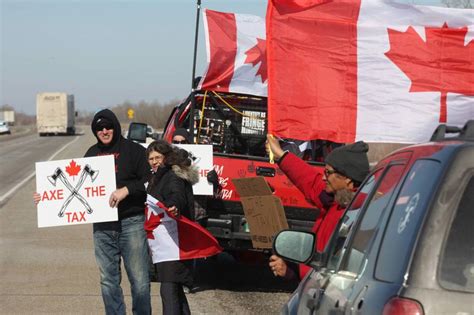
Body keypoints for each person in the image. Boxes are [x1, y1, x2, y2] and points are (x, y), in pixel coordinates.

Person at [34, 109, 151, 315]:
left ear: (115, 127)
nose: (104, 131)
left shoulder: (135, 151)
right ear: (95, 131)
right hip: (103, 226)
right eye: (99, 128)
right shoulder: (90, 154)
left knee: (140, 281)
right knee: (108, 281)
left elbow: (151, 181)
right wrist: (46, 197)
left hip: (131, 222)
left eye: (108, 127)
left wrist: (127, 189)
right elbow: (75, 188)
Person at [266, 135, 370, 280]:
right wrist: (281, 155)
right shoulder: (338, 200)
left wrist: (294, 270)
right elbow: (312, 183)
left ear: (347, 177)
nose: (323, 178)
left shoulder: (353, 216)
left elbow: (328, 270)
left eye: (328, 172)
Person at [145, 140, 199, 315]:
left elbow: (177, 195)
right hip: (164, 244)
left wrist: (173, 205)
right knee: (174, 291)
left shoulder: (172, 175)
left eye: (157, 157)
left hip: (174, 243)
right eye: (151, 158)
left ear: (166, 157)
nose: (154, 161)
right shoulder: (157, 177)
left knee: (168, 291)